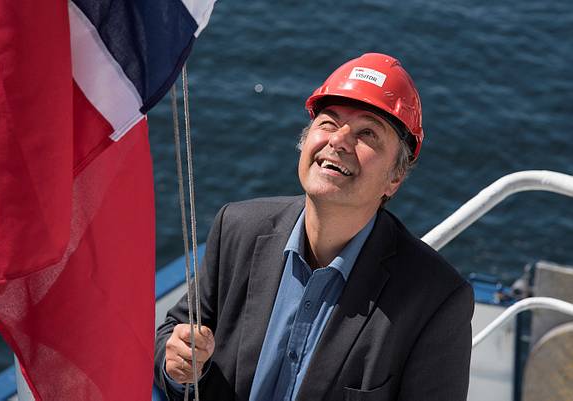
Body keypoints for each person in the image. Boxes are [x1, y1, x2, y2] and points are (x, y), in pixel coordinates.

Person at [154, 53, 474, 401]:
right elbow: (173, 335)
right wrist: (180, 368)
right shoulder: (237, 228)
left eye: (367, 132)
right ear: (305, 142)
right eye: (329, 123)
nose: (339, 140)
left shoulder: (435, 299)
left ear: (395, 177)